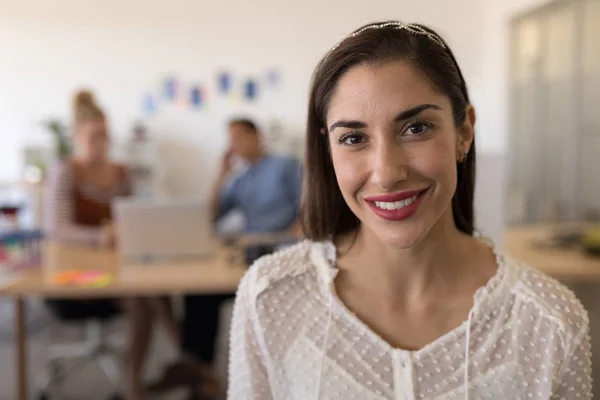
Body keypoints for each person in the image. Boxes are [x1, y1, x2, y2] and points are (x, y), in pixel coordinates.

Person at [228, 21, 592, 400]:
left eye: (416, 128)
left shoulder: (550, 323)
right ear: (328, 150)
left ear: (464, 132)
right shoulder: (270, 298)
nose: (386, 175)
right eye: (353, 138)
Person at [150, 118, 302, 398]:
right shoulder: (239, 179)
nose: (236, 144)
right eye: (231, 139)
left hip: (282, 250)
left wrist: (297, 229)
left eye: (241, 136)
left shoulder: (285, 166)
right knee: (198, 293)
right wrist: (220, 174)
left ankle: (197, 368)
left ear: (258, 136)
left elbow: (309, 204)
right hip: (249, 253)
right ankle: (199, 370)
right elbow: (209, 217)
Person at [44, 90, 179, 400]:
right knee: (144, 297)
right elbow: (58, 230)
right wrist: (100, 237)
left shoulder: (122, 173)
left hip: (118, 269)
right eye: (94, 136)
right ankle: (142, 380)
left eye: (105, 135)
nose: (101, 143)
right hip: (76, 273)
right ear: (77, 136)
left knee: (158, 287)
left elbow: (134, 219)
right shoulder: (65, 172)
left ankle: (178, 359)